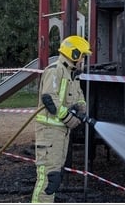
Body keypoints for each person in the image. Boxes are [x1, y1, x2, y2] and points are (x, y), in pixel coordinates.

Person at [31, 35, 91, 203]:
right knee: (49, 180)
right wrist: (68, 118)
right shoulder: (54, 70)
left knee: (55, 177)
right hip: (49, 134)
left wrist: (81, 110)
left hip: (60, 134)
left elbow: (78, 98)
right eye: (83, 56)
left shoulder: (72, 75)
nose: (83, 61)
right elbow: (49, 99)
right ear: (74, 54)